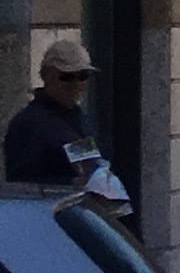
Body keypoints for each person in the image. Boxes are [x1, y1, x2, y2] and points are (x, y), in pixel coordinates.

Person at [4, 34, 124, 201]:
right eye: (67, 77)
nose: (76, 84)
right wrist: (70, 183)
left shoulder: (79, 118)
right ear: (47, 76)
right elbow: (20, 185)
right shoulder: (28, 123)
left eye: (82, 76)